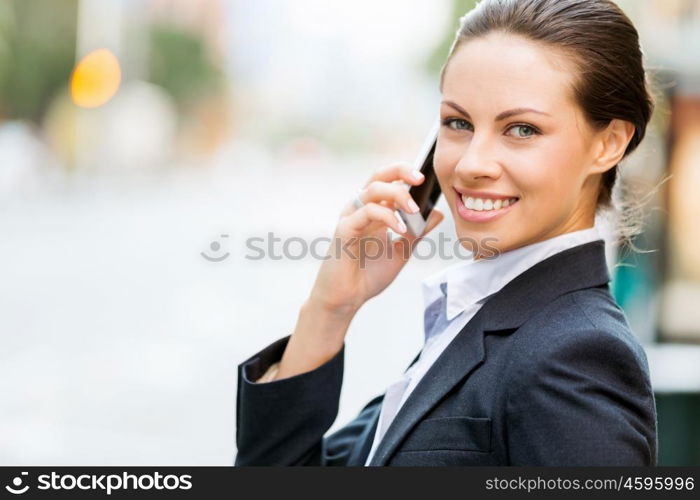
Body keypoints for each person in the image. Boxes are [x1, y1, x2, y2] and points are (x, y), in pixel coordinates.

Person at [234, 0, 658, 466]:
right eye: (458, 123)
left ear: (608, 143)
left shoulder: (575, 356)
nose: (472, 163)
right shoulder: (476, 324)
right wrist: (331, 308)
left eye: (521, 129)